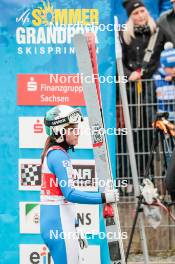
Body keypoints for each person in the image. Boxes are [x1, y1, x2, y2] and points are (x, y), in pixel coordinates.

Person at [40, 105, 119, 264]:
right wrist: (104, 197)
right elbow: (70, 194)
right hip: (59, 223)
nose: (77, 132)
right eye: (72, 128)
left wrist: (75, 226)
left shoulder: (57, 153)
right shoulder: (58, 156)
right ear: (60, 131)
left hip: (59, 221)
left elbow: (64, 199)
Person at [153, 42, 175, 120]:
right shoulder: (157, 75)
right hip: (163, 112)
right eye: (171, 67)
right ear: (164, 66)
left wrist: (173, 79)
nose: (174, 70)